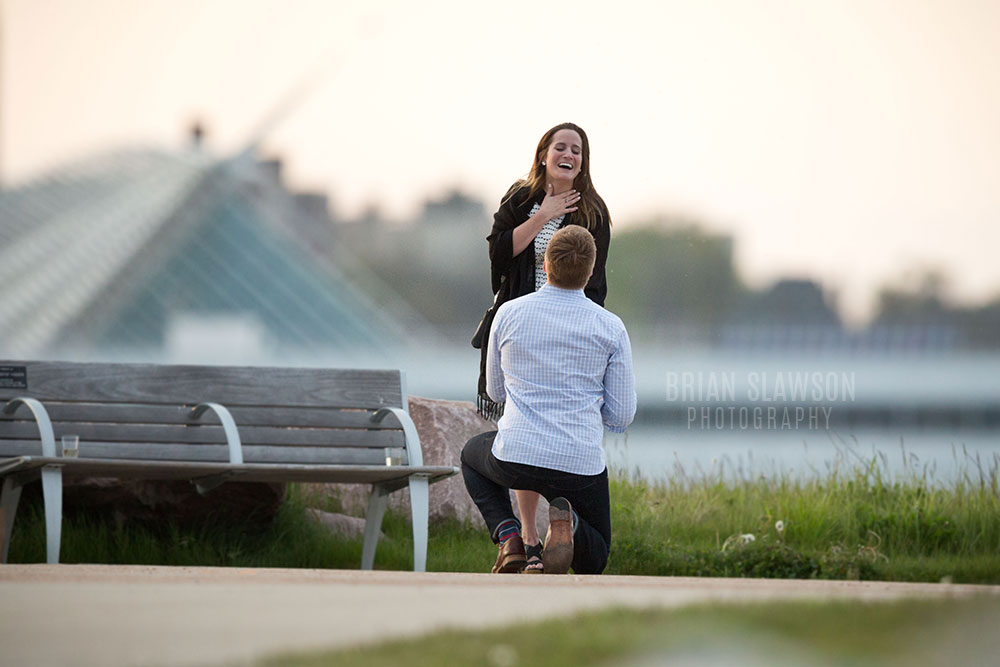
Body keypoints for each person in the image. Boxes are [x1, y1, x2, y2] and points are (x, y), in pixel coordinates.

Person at [477, 122, 613, 572]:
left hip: (566, 334)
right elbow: (499, 254)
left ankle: (542, 534)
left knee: (532, 430)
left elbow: (594, 282)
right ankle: (530, 540)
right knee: (520, 423)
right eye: (560, 146)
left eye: (577, 149)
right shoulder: (520, 199)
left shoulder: (593, 212)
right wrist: (542, 214)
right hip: (518, 330)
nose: (568, 153)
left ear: (583, 161)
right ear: (544, 155)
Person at [462, 225, 636, 575]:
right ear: (591, 271)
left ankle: (508, 534)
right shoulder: (611, 327)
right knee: (596, 556)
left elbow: (495, 394)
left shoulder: (508, 313)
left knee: (471, 456)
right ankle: (568, 525)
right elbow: (620, 416)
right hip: (578, 464)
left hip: (516, 456)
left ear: (544, 264)